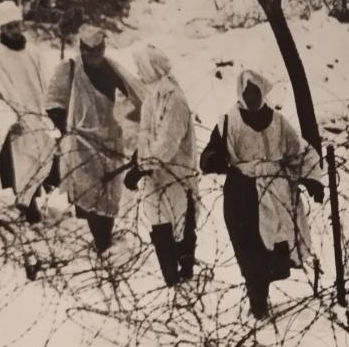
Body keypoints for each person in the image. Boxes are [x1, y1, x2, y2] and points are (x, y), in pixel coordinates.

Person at [199, 70, 323, 319]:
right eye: (247, 93)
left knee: (275, 250)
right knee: (249, 249)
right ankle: (258, 299)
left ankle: (262, 288)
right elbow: (209, 154)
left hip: (276, 193)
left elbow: (298, 151)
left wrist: (312, 179)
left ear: (263, 92)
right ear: (240, 94)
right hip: (242, 194)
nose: (252, 97)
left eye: (256, 92)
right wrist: (215, 160)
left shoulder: (278, 121)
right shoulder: (228, 122)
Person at [44, 25, 142, 253]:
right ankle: (102, 241)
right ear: (81, 49)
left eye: (97, 51)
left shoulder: (114, 70)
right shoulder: (68, 69)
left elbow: (135, 98)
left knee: (110, 194)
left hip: (110, 143)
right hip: (82, 144)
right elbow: (53, 101)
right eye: (88, 52)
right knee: (88, 192)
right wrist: (65, 126)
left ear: (104, 48)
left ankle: (104, 239)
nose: (93, 57)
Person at [124, 44, 199, 286]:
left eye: (140, 66)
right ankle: (172, 281)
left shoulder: (174, 98)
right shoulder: (152, 98)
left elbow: (168, 142)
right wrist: (138, 158)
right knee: (160, 226)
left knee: (180, 226)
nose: (138, 72)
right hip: (156, 176)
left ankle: (185, 276)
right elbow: (146, 134)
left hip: (175, 174)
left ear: (151, 67)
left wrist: (142, 166)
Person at [0, 0, 58, 224]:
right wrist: (7, 117)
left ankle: (32, 203)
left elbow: (47, 81)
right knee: (22, 165)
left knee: (41, 160)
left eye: (17, 25)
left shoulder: (32, 52)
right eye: (9, 27)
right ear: (1, 29)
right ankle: (28, 208)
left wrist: (51, 109)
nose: (14, 31)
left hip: (38, 115)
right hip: (16, 120)